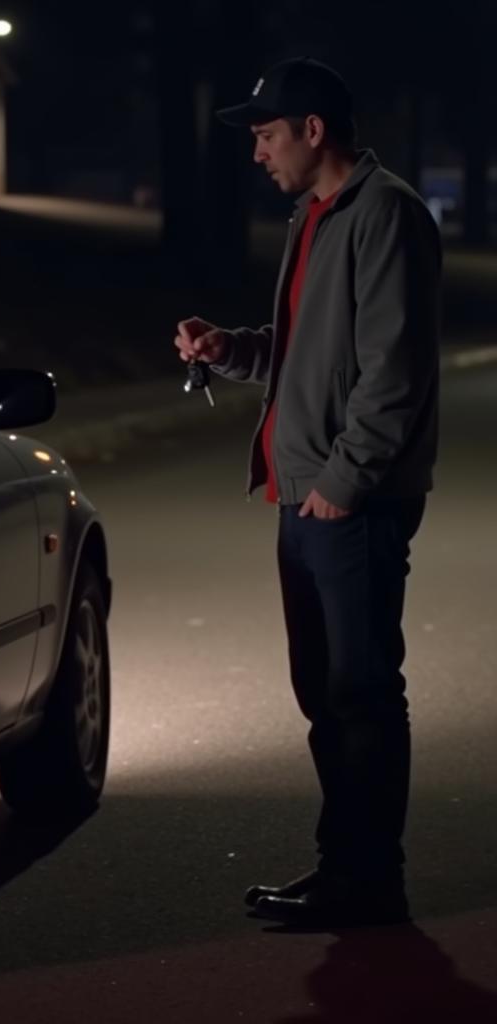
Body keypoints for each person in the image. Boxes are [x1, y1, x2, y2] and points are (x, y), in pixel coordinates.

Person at [174, 57, 441, 928]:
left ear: (312, 130)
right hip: (306, 498)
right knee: (326, 697)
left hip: (345, 504)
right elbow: (309, 358)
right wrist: (232, 349)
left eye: (265, 134)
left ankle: (371, 881)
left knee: (361, 695)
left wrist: (343, 482)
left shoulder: (384, 212)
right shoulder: (315, 216)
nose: (257, 153)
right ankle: (347, 871)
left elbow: (392, 372)